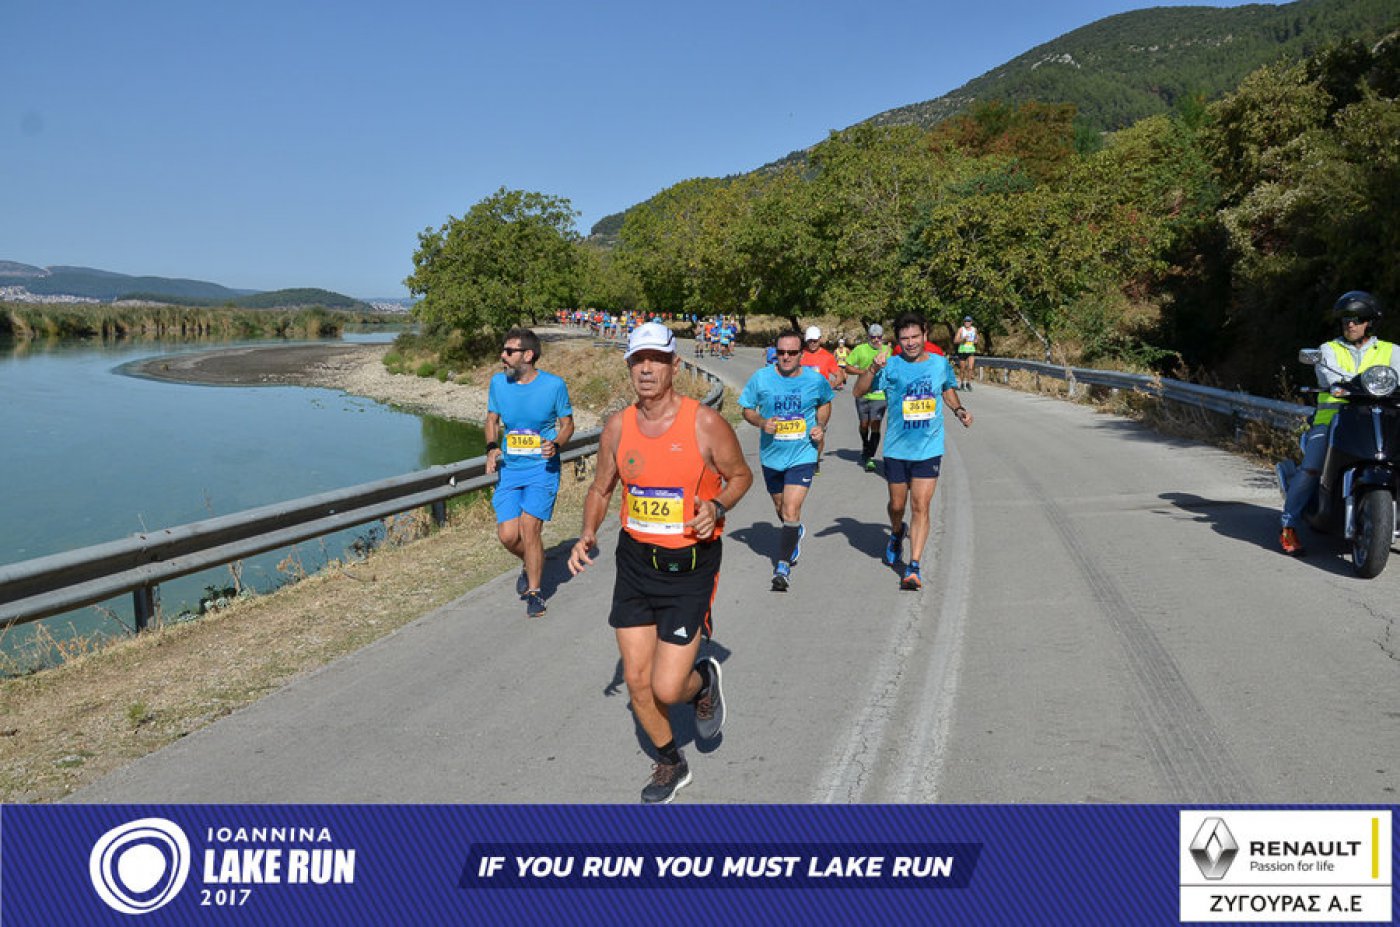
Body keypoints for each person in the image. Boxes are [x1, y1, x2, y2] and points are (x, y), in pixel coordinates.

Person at [567, 321, 753, 804]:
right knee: (637, 681)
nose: (646, 369)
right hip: (635, 563)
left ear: (673, 364)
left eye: (656, 360)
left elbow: (740, 476)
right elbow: (601, 488)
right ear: (629, 366)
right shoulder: (618, 427)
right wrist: (587, 533)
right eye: (638, 360)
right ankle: (671, 761)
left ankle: (703, 681)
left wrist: (717, 507)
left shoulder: (704, 424)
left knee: (668, 688)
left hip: (690, 567)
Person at [852, 312, 973, 591]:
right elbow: (858, 392)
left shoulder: (939, 364)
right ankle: (897, 532)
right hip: (897, 448)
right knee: (897, 506)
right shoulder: (890, 366)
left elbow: (947, 389)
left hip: (928, 447)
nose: (910, 343)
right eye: (904, 338)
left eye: (915, 337)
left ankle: (914, 566)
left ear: (925, 335)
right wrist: (873, 368)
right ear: (898, 340)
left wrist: (959, 410)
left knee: (921, 505)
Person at [1280, 291, 1398, 555]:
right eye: (1346, 319)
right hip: (1334, 418)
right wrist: (1363, 381)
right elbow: (1328, 376)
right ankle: (1288, 526)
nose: (1350, 324)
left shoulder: (1392, 351)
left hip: (1381, 419)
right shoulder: (1328, 350)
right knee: (1312, 467)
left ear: (1369, 322)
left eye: (1356, 319)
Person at [485, 328, 576, 617]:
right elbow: (491, 420)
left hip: (542, 468)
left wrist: (556, 444)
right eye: (503, 350)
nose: (503, 356)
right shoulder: (498, 383)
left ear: (528, 355)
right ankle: (532, 560)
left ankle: (535, 592)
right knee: (508, 535)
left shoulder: (554, 385)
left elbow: (568, 425)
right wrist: (491, 447)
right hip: (511, 468)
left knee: (529, 527)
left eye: (509, 351)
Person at [738, 330, 834, 591]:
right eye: (781, 352)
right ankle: (795, 530)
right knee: (782, 510)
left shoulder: (814, 380)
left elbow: (825, 402)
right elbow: (747, 409)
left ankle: (782, 566)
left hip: (803, 453)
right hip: (772, 455)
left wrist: (821, 426)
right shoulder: (761, 378)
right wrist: (761, 422)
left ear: (801, 354)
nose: (786, 357)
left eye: (792, 352)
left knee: (791, 509)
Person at [842, 323, 893, 472]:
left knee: (875, 424)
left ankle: (870, 456)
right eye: (873, 337)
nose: (876, 340)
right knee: (864, 424)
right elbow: (847, 367)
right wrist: (864, 372)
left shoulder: (887, 351)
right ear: (868, 337)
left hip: (880, 394)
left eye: (879, 337)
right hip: (863, 392)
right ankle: (865, 444)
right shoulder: (860, 349)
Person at [799, 326, 841, 472]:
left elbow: (839, 375)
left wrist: (831, 385)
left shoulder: (827, 356)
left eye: (815, 341)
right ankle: (802, 460)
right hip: (802, 400)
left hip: (821, 402)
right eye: (809, 341)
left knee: (819, 431)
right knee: (802, 431)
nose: (812, 343)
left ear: (820, 340)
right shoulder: (800, 355)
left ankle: (815, 460)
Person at [953, 316, 980, 390]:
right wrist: (962, 339)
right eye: (965, 321)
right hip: (962, 350)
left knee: (970, 368)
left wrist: (976, 340)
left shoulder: (974, 329)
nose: (967, 322)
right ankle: (962, 383)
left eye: (968, 321)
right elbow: (955, 340)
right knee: (962, 368)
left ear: (971, 322)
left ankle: (968, 383)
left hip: (971, 350)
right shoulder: (961, 329)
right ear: (964, 322)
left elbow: (977, 337)